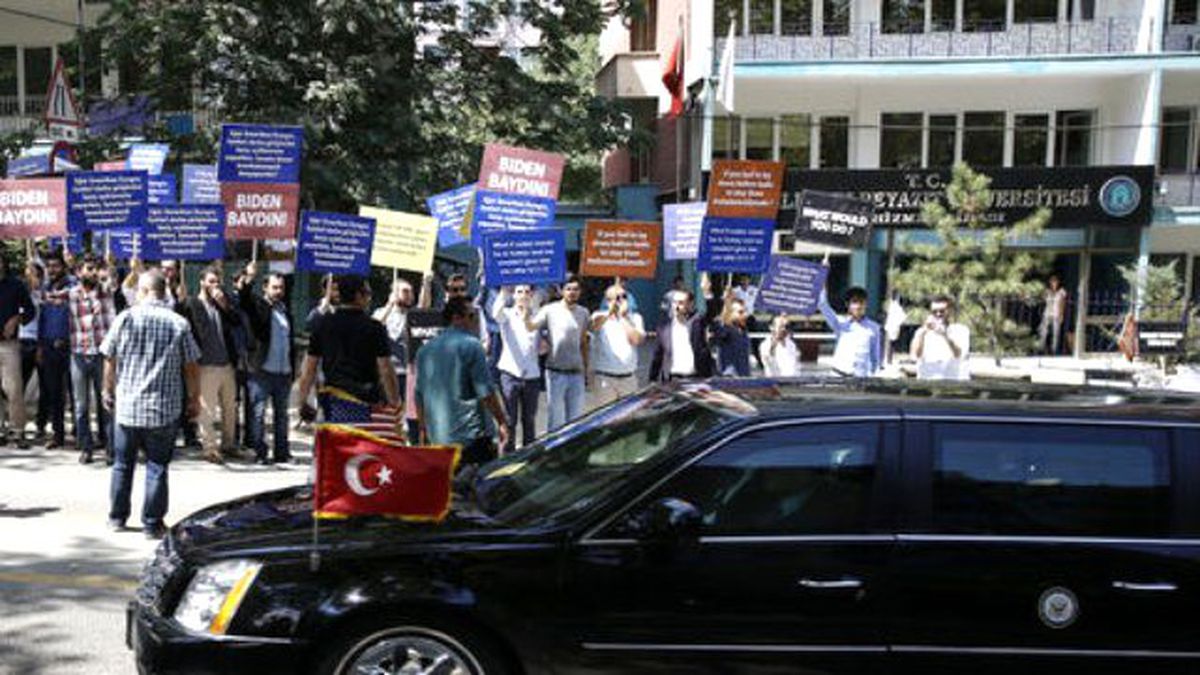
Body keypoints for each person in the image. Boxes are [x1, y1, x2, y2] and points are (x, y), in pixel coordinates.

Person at [100, 270, 201, 539]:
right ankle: (152, 523)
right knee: (157, 466)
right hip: (163, 409)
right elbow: (191, 366)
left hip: (128, 408)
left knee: (122, 464)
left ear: (144, 291)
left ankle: (117, 518)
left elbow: (109, 358)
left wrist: (106, 390)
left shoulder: (125, 318)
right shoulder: (178, 323)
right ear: (164, 291)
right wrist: (194, 398)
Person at [415, 297, 508, 469]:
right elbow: (485, 391)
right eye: (472, 316)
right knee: (478, 491)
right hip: (470, 439)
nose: (475, 321)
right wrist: (501, 421)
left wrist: (423, 429)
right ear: (456, 318)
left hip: (438, 439)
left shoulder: (424, 351)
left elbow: (419, 396)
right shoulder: (472, 345)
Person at [44, 254, 116, 463]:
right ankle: (86, 447)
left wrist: (109, 264)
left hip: (102, 356)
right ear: (78, 272)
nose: (92, 272)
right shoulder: (72, 294)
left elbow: (112, 280)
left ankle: (111, 448)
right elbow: (46, 296)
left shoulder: (104, 292)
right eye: (89, 268)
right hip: (78, 355)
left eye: (95, 269)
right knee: (80, 405)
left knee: (106, 403)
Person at [297, 274, 398, 421]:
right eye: (367, 294)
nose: (369, 298)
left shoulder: (323, 325)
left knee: (334, 443)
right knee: (361, 443)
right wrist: (394, 402)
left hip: (333, 402)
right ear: (358, 295)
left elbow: (309, 368)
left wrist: (303, 400)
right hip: (366, 401)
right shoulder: (374, 328)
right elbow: (386, 369)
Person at [180, 266, 243, 464]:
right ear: (202, 283)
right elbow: (200, 331)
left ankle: (229, 444)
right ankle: (210, 448)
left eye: (217, 282)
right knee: (207, 410)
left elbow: (236, 321)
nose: (215, 286)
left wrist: (223, 304)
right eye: (211, 281)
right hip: (206, 365)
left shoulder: (222, 303)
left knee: (230, 408)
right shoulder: (193, 304)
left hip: (226, 364)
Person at [236, 263, 294, 465]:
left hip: (283, 372)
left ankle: (282, 453)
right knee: (258, 414)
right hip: (262, 370)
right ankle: (260, 452)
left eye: (281, 288)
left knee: (282, 416)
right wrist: (249, 277)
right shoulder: (259, 306)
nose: (279, 291)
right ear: (265, 288)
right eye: (275, 287)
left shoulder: (285, 310)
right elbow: (244, 299)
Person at [526, 274, 589, 431]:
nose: (572, 292)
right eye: (568, 289)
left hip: (576, 374)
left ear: (580, 292)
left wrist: (587, 369)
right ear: (561, 291)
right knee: (556, 422)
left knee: (575, 423)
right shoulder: (549, 310)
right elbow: (531, 327)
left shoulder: (583, 313)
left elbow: (583, 342)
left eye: (575, 289)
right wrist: (526, 310)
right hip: (556, 374)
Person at [492, 285, 541, 454]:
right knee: (509, 419)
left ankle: (529, 456)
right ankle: (507, 455)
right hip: (510, 374)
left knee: (529, 419)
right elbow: (495, 312)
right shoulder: (507, 314)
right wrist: (504, 290)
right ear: (514, 295)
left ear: (532, 295)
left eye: (527, 292)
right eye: (520, 292)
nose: (523, 295)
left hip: (532, 375)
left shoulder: (537, 316)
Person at [37, 252, 72, 450]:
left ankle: (82, 434)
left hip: (70, 347)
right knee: (54, 393)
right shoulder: (45, 288)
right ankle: (58, 434)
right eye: (49, 266)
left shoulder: (73, 287)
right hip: (49, 347)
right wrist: (41, 346)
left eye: (56, 266)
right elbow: (42, 319)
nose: (52, 270)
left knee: (76, 394)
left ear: (63, 267)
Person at [590, 283, 645, 404]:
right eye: (618, 298)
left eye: (624, 297)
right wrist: (610, 312)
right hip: (605, 378)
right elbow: (594, 326)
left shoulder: (635, 318)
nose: (622, 301)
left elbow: (635, 340)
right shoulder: (599, 316)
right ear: (608, 300)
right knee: (605, 418)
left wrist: (623, 317)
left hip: (628, 378)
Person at [0, 257, 35, 448]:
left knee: (13, 389)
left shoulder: (16, 285)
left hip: (9, 345)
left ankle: (18, 431)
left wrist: (17, 319)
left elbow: (30, 310)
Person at [649, 289, 715, 382]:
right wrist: (652, 380)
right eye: (674, 303)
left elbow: (711, 313)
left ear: (690, 304)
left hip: (696, 378)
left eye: (680, 303)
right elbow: (657, 356)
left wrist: (707, 294)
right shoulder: (664, 327)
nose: (676, 306)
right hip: (672, 379)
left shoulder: (697, 323)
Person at [818, 285, 881, 377]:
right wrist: (821, 282)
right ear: (848, 305)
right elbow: (823, 305)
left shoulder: (874, 328)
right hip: (838, 375)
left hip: (860, 378)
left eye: (861, 302)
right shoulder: (840, 324)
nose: (858, 306)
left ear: (866, 304)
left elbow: (875, 357)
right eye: (854, 302)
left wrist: (873, 375)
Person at [372, 277, 415, 399]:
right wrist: (390, 305)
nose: (409, 295)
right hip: (388, 373)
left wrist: (426, 283)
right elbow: (374, 327)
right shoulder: (381, 312)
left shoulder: (412, 315)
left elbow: (425, 307)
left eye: (411, 292)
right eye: (405, 291)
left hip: (409, 373)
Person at [911, 295, 970, 381]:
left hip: (954, 383)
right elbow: (915, 355)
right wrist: (923, 334)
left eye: (942, 311)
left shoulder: (961, 330)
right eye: (934, 312)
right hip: (927, 383)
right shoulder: (921, 332)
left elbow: (958, 354)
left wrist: (945, 335)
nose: (938, 314)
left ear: (949, 311)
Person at [21, 261, 45, 441]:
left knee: (45, 387)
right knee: (17, 386)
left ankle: (41, 425)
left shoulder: (44, 294)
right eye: (29, 274)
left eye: (35, 274)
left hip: (41, 343)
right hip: (22, 342)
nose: (32, 278)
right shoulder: (19, 293)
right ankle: (18, 425)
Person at [711, 288, 751, 376]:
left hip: (744, 378)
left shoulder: (743, 330)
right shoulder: (725, 329)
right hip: (729, 379)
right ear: (730, 313)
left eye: (745, 311)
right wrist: (727, 303)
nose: (745, 315)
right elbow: (721, 328)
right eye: (740, 312)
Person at [1039, 273, 1068, 355]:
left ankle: (1054, 350)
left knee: (1056, 333)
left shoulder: (1061, 292)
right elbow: (1042, 299)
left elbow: (1062, 304)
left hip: (1056, 314)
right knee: (1043, 331)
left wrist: (1061, 315)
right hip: (1047, 313)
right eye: (1052, 281)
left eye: (1055, 281)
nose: (1053, 283)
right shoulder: (1047, 291)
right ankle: (1041, 348)